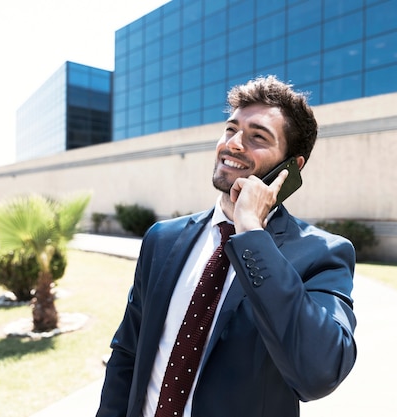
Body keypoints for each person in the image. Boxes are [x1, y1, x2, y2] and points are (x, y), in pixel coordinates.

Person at [96, 75, 357, 417]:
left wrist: (251, 233)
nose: (233, 144)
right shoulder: (162, 239)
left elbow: (319, 373)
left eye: (257, 137)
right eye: (231, 129)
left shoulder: (322, 254)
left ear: (291, 168)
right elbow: (128, 353)